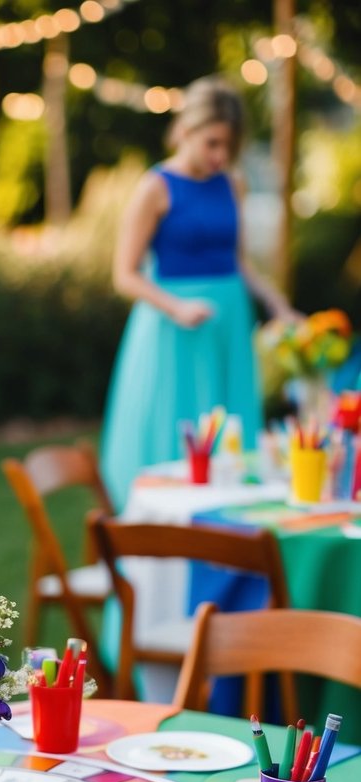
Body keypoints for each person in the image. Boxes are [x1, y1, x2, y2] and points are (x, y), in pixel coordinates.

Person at [100, 76, 296, 509]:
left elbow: (239, 260)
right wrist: (176, 307)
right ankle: (163, 536)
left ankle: (229, 532)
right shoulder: (155, 189)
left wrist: (277, 305)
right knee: (177, 432)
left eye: (229, 147)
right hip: (173, 332)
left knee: (229, 438)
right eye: (212, 143)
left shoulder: (233, 183)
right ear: (186, 130)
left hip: (228, 324)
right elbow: (124, 274)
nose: (220, 156)